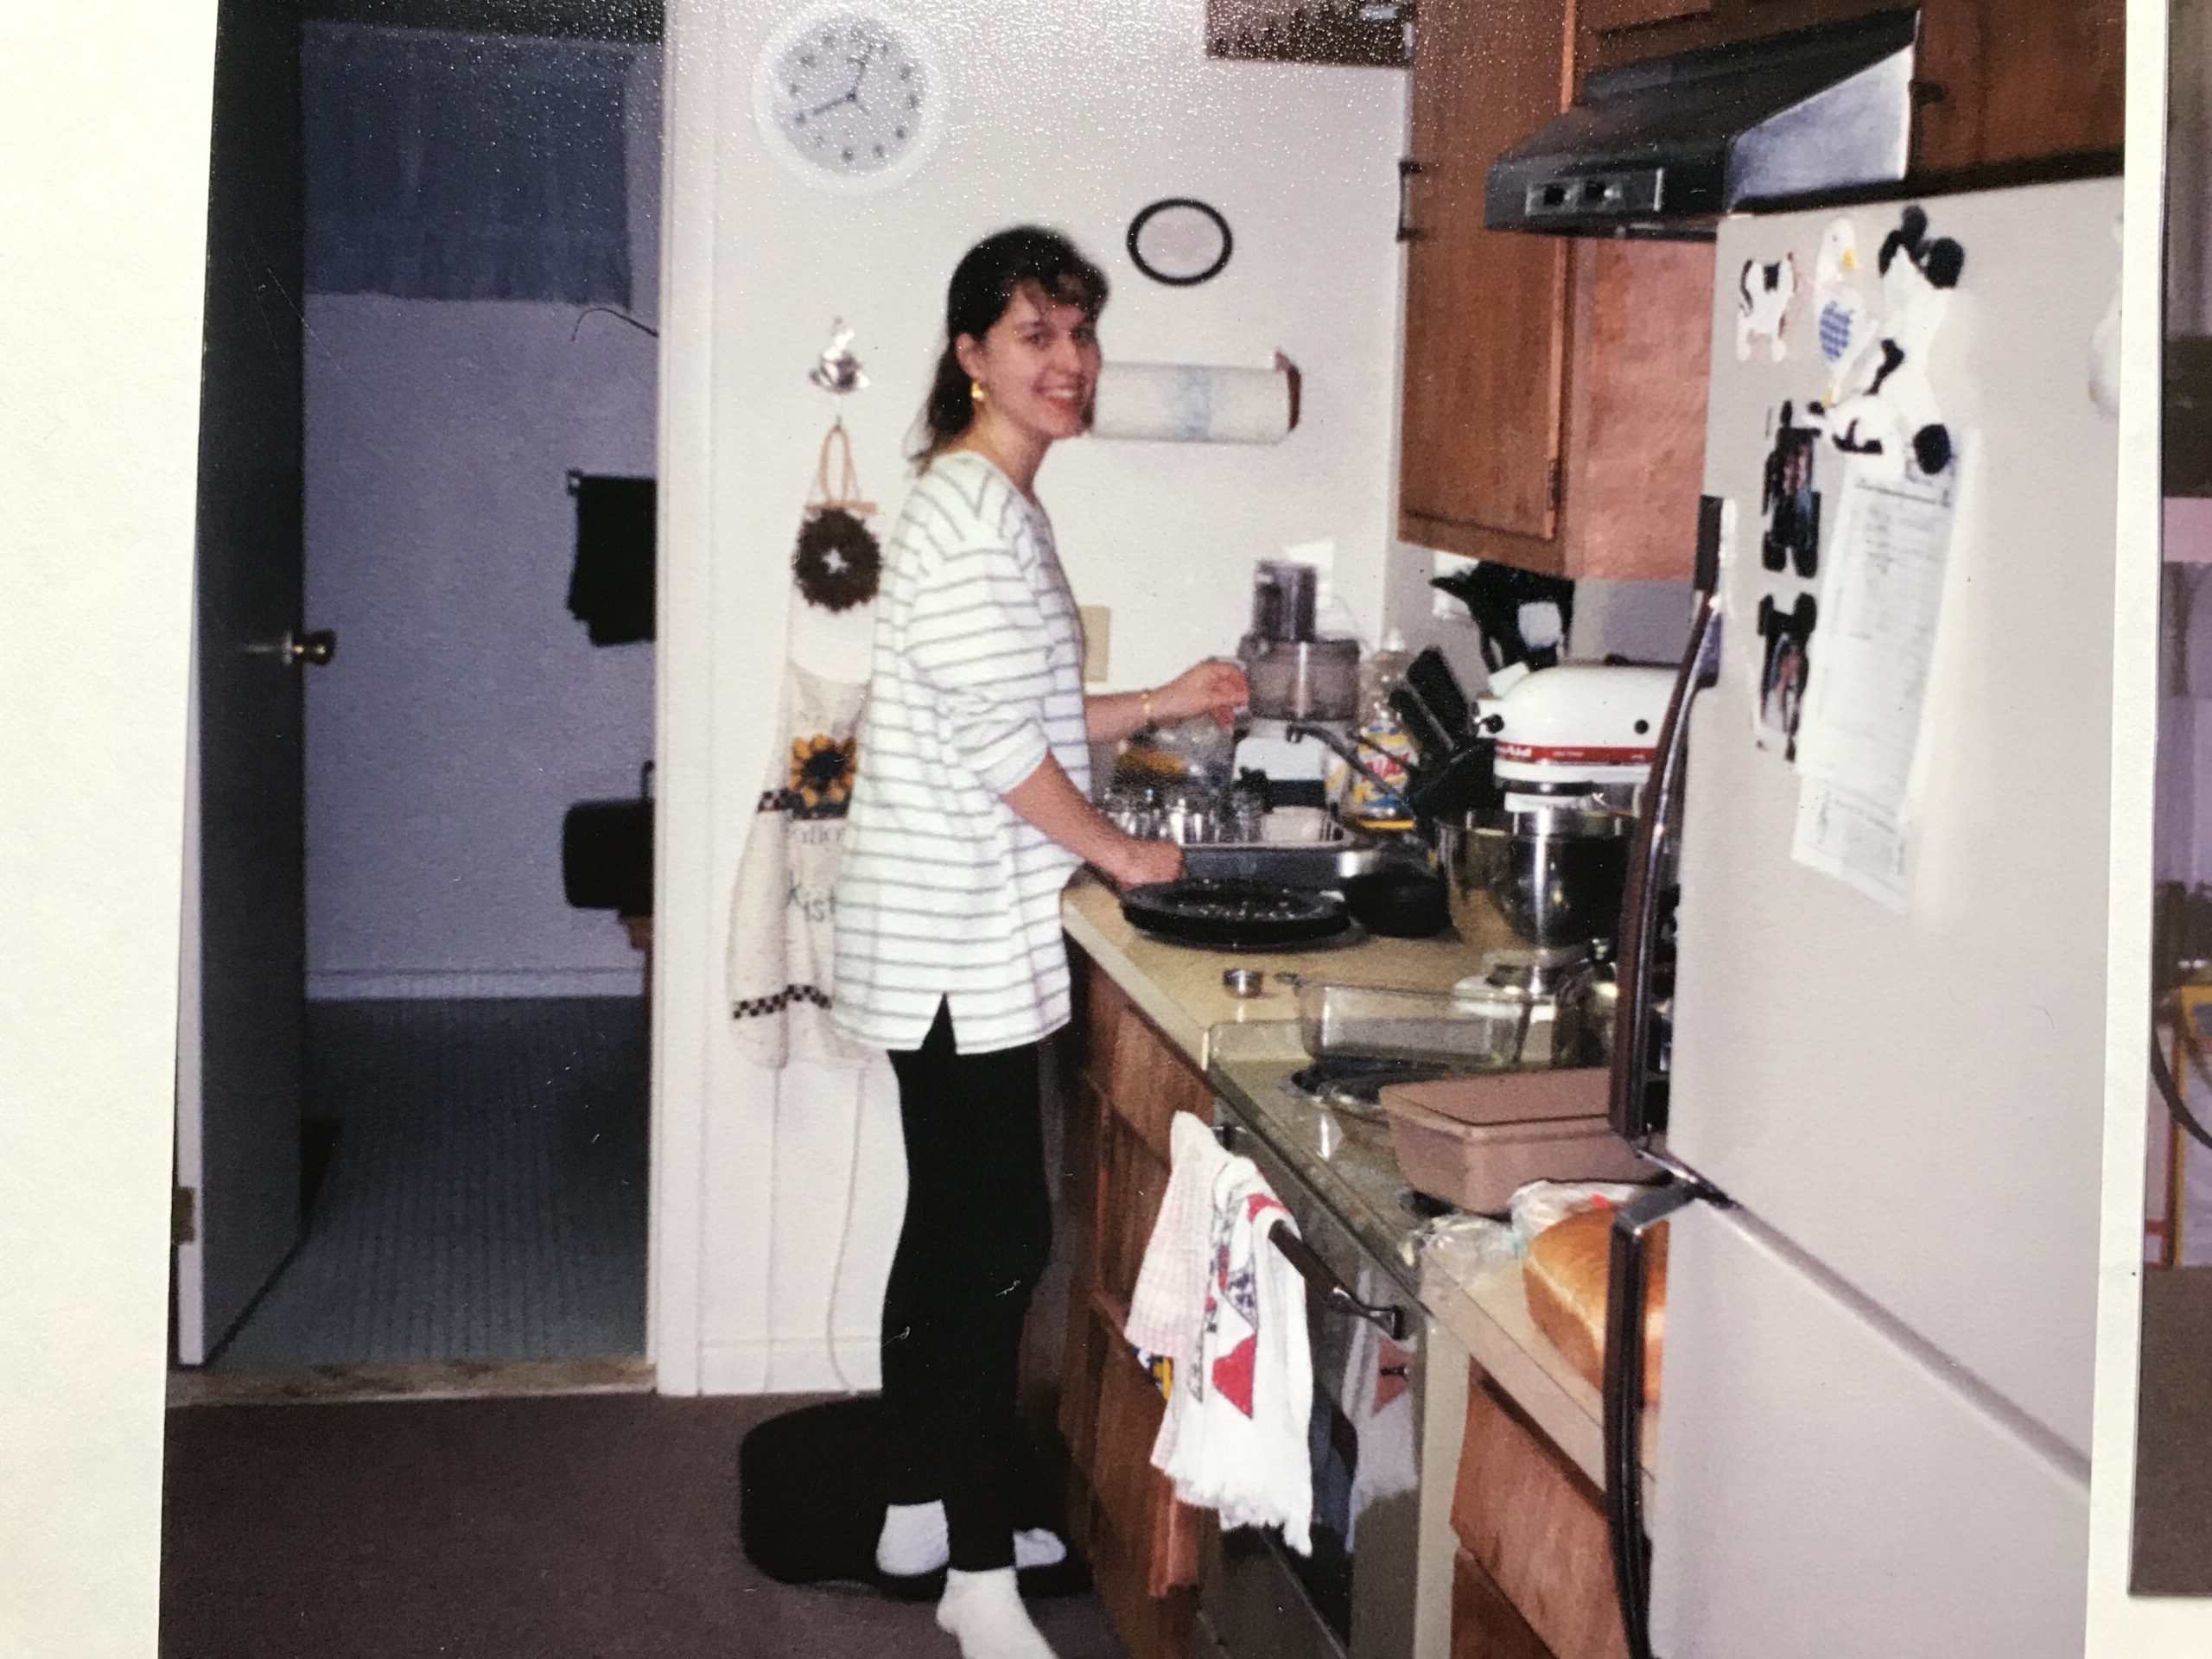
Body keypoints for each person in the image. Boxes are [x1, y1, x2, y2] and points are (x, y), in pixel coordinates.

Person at [831, 226, 1245, 1659]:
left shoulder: (985, 503)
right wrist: (1126, 852)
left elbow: (1022, 708)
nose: (1068, 365)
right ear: (970, 355)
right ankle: (980, 1581)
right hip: (951, 936)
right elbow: (1009, 746)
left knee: (952, 1225)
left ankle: (914, 1514)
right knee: (994, 1235)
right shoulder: (967, 511)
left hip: (940, 924)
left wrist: (1164, 699)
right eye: (1035, 338)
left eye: (1080, 337)